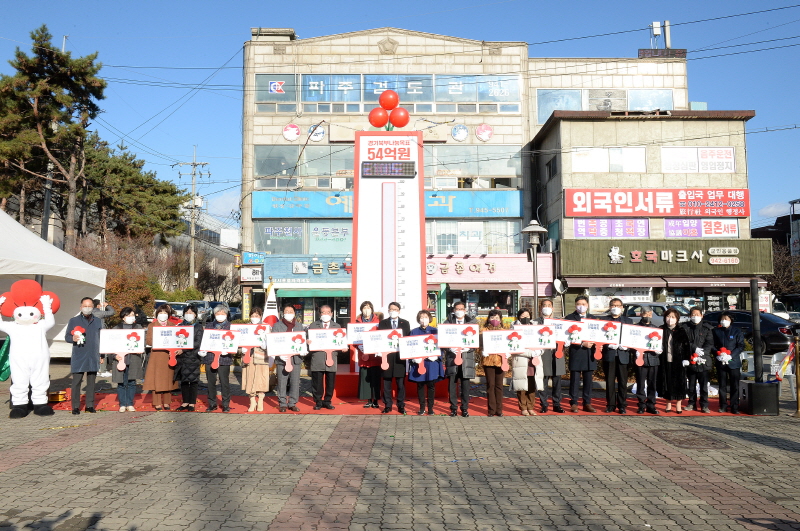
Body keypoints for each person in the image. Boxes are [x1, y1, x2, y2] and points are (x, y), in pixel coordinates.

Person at [65, 297, 105, 415]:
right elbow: (67, 337)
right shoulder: (74, 320)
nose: (87, 308)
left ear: (93, 307)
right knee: (76, 382)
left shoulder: (98, 321)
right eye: (85, 306)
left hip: (93, 355)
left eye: (89, 306)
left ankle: (90, 405)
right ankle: (75, 406)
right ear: (81, 307)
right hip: (79, 355)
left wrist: (102, 355)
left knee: (91, 382)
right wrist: (72, 338)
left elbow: (102, 339)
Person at [442, 301, 478, 418]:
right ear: (453, 310)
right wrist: (449, 348)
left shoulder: (472, 323)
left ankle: (465, 408)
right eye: (457, 309)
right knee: (452, 384)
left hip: (466, 358)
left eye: (461, 309)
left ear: (465, 310)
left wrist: (468, 347)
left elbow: (476, 342)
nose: (459, 311)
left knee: (465, 385)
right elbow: (443, 340)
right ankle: (453, 408)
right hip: (452, 358)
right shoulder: (447, 323)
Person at [408, 310, 444, 415]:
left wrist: (436, 356)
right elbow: (410, 347)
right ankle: (422, 407)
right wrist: (413, 358)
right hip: (419, 362)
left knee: (431, 385)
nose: (424, 319)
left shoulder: (435, 331)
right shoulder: (414, 332)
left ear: (429, 318)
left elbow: (441, 346)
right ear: (418, 319)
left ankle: (431, 408)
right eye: (421, 317)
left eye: (426, 317)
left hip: (431, 362)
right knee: (420, 385)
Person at [377, 301, 411, 414]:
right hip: (387, 357)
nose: (393, 311)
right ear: (388, 310)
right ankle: (388, 405)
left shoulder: (405, 323)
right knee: (386, 382)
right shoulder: (382, 323)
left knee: (400, 383)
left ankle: (401, 405)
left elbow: (407, 339)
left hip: (399, 357)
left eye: (395, 309)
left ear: (399, 311)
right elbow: (380, 339)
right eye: (391, 309)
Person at [565, 296, 598, 413]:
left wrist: (594, 343)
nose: (581, 306)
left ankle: (587, 402)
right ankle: (573, 402)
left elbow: (598, 335)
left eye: (583, 304)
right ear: (575, 305)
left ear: (587, 305)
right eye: (579, 304)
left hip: (590, 354)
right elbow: (567, 337)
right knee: (574, 379)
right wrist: (581, 343)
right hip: (577, 352)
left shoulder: (593, 319)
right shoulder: (569, 318)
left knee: (588, 380)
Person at [272, 303, 306, 413]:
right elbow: (273, 341)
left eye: (291, 312)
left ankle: (292, 403)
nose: (288, 314)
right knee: (282, 381)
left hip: (296, 359)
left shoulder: (299, 326)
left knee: (295, 382)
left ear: (294, 313)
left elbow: (303, 341)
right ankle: (282, 403)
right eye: (286, 311)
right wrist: (279, 353)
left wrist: (305, 347)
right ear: (282, 313)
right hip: (282, 359)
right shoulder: (277, 326)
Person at [144, 304, 179, 411]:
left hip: (169, 355)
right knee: (157, 380)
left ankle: (167, 402)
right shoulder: (152, 325)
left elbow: (177, 341)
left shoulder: (173, 325)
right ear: (157, 314)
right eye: (160, 313)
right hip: (157, 355)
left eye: (165, 313)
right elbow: (148, 340)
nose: (163, 315)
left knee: (168, 379)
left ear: (168, 315)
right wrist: (160, 339)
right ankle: (157, 402)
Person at [307, 305, 342, 411]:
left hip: (331, 357)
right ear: (320, 314)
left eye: (328, 312)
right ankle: (318, 401)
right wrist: (308, 342)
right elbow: (307, 340)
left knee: (330, 381)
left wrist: (343, 346)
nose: (325, 314)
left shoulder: (337, 326)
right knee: (317, 382)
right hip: (317, 356)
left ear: (331, 314)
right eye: (323, 312)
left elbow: (340, 341)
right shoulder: (313, 326)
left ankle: (327, 401)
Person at [601, 298, 633, 414]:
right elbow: (600, 338)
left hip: (623, 354)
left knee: (623, 382)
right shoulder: (604, 321)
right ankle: (610, 404)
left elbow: (632, 338)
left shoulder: (628, 321)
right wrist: (607, 344)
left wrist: (627, 346)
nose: (616, 307)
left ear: (622, 307)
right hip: (609, 354)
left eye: (618, 305)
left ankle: (622, 405)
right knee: (610, 382)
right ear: (610, 307)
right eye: (613, 305)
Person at [680, 306, 714, 413]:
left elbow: (710, 343)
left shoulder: (707, 328)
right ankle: (691, 403)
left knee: (704, 385)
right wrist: (694, 349)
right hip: (690, 360)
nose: (695, 317)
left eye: (697, 315)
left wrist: (702, 353)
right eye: (693, 315)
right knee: (691, 384)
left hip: (703, 360)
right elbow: (683, 342)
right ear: (690, 316)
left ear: (701, 316)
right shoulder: (685, 327)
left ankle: (704, 405)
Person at [657, 308, 690, 413]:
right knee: (667, 382)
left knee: (679, 383)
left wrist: (686, 359)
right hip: (664, 360)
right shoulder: (661, 329)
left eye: (672, 317)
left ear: (677, 319)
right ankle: (668, 404)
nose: (670, 319)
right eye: (668, 317)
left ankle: (678, 405)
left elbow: (687, 346)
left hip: (678, 361)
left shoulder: (681, 330)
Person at [111, 307, 144, 412]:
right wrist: (114, 355)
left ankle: (130, 403)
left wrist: (141, 349)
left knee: (131, 382)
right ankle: (122, 404)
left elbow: (142, 342)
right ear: (123, 317)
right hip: (120, 359)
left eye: (132, 315)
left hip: (133, 359)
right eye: (128, 315)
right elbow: (110, 345)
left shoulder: (138, 327)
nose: (131, 317)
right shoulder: (116, 328)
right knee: (121, 382)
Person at [535, 299, 565, 414]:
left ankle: (557, 404)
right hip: (543, 353)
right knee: (543, 380)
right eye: (544, 305)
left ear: (552, 308)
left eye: (549, 305)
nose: (546, 307)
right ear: (540, 308)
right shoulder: (536, 322)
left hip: (557, 353)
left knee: (557, 381)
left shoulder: (559, 322)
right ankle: (544, 404)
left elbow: (565, 336)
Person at [510, 308, 542, 416]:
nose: (525, 318)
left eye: (527, 316)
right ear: (519, 317)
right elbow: (514, 347)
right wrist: (529, 353)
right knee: (521, 385)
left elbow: (544, 343)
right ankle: (523, 407)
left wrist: (538, 352)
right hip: (521, 360)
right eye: (523, 316)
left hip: (534, 360)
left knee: (532, 385)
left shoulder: (536, 328)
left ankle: (531, 406)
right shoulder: (513, 328)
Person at [712, 312, 745, 414]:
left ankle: (734, 406)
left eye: (726, 319)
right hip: (720, 361)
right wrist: (717, 354)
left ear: (731, 320)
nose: (724, 321)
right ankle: (723, 405)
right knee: (722, 385)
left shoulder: (736, 331)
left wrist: (731, 355)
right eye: (722, 319)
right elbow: (711, 344)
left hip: (733, 362)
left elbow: (740, 346)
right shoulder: (715, 331)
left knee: (734, 385)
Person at [202, 304, 233, 412]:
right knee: (211, 382)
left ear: (226, 314)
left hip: (225, 359)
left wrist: (229, 349)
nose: (220, 315)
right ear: (214, 315)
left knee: (224, 382)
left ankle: (225, 404)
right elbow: (204, 341)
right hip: (210, 357)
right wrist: (203, 350)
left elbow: (235, 342)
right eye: (218, 314)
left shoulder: (231, 327)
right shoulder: (209, 326)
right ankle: (212, 403)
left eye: (222, 313)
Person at [241, 307, 270, 412]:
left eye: (257, 316)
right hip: (249, 356)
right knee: (249, 377)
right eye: (252, 316)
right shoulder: (246, 328)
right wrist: (242, 348)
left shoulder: (266, 327)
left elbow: (270, 343)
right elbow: (240, 340)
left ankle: (261, 400)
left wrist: (264, 341)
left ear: (261, 316)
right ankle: (252, 401)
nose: (254, 318)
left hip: (261, 357)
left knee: (261, 378)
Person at [175, 304, 203, 412]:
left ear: (195, 314)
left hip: (193, 357)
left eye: (191, 313)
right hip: (181, 357)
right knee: (184, 381)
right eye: (186, 313)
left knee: (193, 381)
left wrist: (184, 349)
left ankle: (192, 403)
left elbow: (197, 342)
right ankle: (185, 402)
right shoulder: (180, 325)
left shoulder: (198, 327)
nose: (188, 315)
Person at [481, 309, 507, 417]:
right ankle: (491, 410)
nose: (494, 320)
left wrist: (507, 354)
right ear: (488, 319)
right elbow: (479, 346)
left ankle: (499, 410)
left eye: (497, 318)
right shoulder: (483, 331)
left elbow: (509, 345)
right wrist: (483, 351)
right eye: (492, 317)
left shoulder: (505, 332)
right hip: (488, 361)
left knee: (499, 386)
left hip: (501, 361)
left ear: (500, 320)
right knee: (490, 385)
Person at [356, 301, 382, 408]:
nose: (366, 310)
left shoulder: (378, 323)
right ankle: (368, 400)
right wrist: (358, 345)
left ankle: (375, 400)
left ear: (372, 309)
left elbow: (381, 336)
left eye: (369, 307)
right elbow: (353, 338)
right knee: (365, 378)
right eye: (364, 308)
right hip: (363, 356)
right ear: (361, 310)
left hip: (374, 355)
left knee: (375, 378)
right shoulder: (357, 323)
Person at [634, 309, 660, 414]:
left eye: (649, 314)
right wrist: (634, 350)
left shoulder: (656, 328)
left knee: (652, 383)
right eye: (645, 314)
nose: (647, 316)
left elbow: (660, 342)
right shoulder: (636, 328)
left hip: (653, 359)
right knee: (640, 383)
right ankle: (641, 405)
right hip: (640, 358)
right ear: (641, 314)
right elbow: (632, 341)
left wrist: (659, 349)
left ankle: (651, 405)